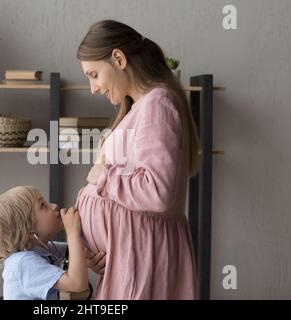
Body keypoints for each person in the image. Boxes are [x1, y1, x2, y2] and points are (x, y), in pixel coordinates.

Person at [76, 20, 201, 299]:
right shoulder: (141, 107)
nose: (93, 88)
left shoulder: (157, 104)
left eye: (94, 74)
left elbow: (159, 192)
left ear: (118, 59)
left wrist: (103, 178)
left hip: (142, 259)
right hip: (129, 259)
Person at [0, 186, 88, 300]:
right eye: (43, 205)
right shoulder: (22, 263)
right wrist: (72, 233)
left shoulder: (42, 248)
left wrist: (91, 260)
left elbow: (81, 252)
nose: (54, 205)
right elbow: (77, 283)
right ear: (29, 230)